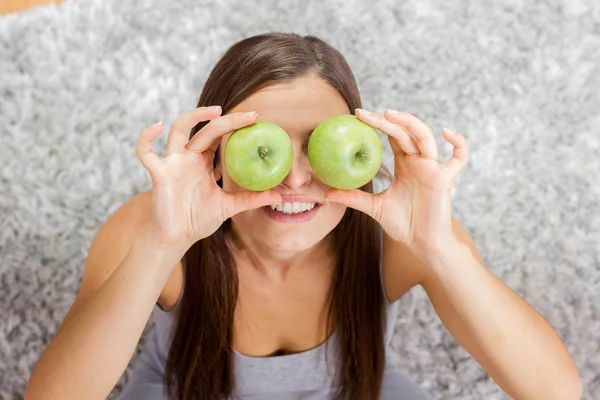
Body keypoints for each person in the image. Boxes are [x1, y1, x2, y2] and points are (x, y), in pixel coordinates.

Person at [25, 32, 581, 400]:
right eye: (264, 146)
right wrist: (161, 243)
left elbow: (557, 393)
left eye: (319, 147)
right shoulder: (150, 230)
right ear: (214, 149)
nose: (293, 180)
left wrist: (441, 250)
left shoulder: (400, 238)